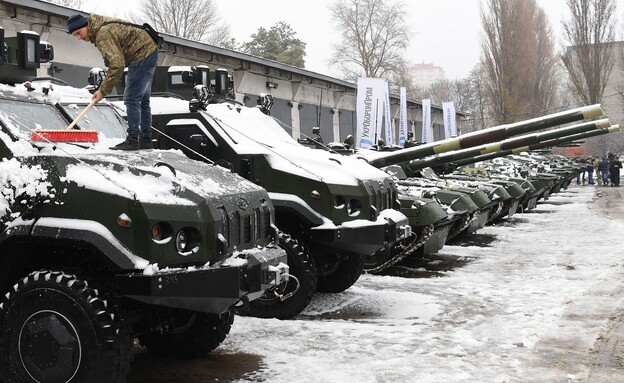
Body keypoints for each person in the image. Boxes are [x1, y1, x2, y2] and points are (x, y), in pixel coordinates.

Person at [67, 13, 158, 150]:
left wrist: (103, 90)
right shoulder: (101, 27)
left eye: (79, 33)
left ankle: (133, 139)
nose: (79, 38)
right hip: (149, 50)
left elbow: (117, 64)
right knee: (142, 100)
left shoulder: (102, 34)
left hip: (140, 54)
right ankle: (145, 139)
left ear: (85, 26)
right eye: (75, 36)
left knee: (132, 99)